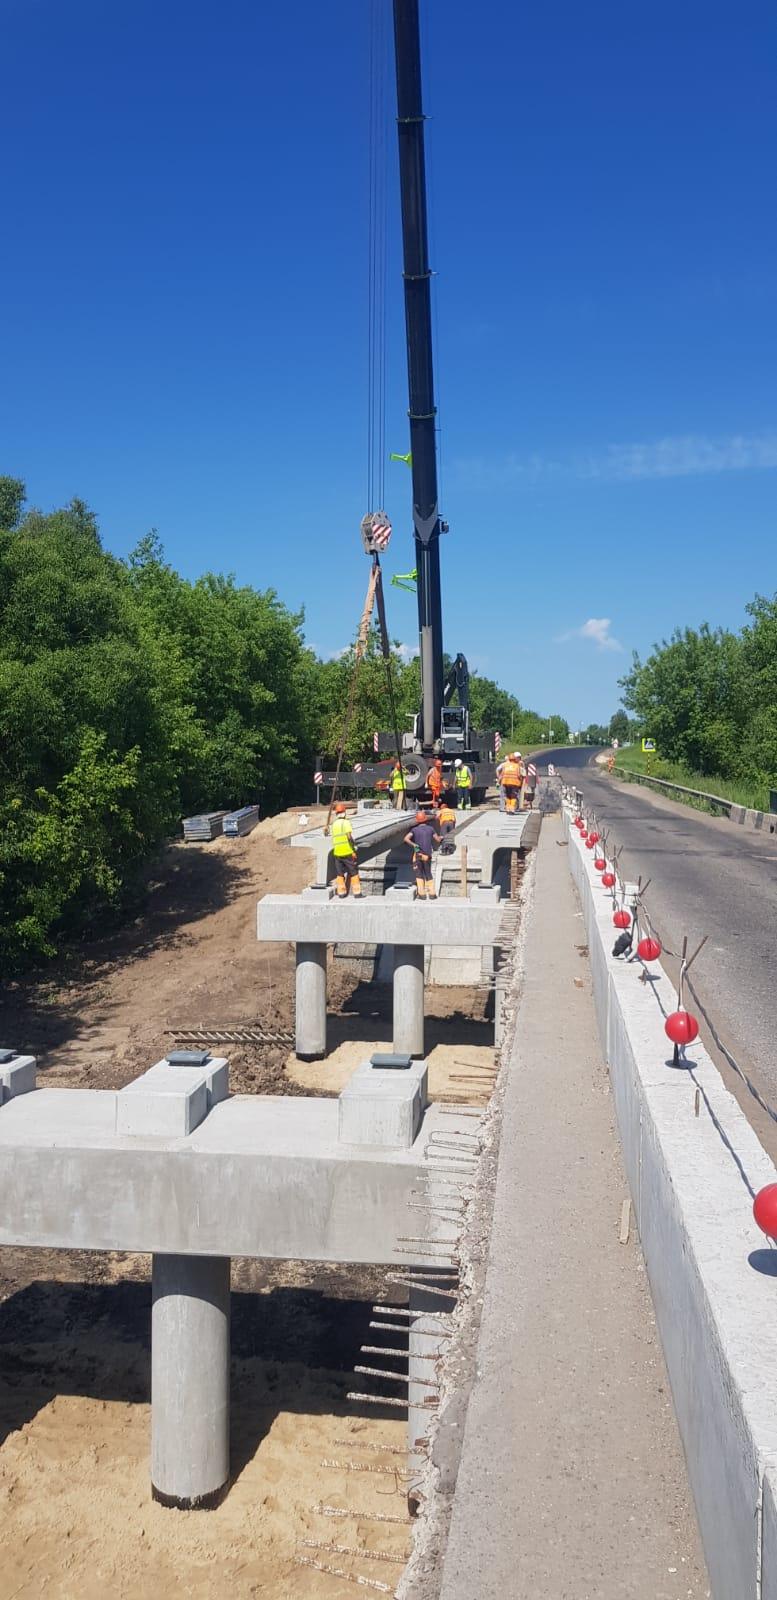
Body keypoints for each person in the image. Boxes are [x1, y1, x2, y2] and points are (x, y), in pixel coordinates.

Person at [404, 810, 442, 899]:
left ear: (417, 821)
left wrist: (414, 844)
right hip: (427, 856)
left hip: (418, 855)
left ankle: (422, 895)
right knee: (428, 873)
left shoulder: (414, 830)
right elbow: (438, 840)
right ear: (425, 819)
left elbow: (406, 839)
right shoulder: (431, 829)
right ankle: (432, 894)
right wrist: (441, 837)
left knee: (419, 874)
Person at [331, 802, 363, 899]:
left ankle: (341, 893)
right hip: (347, 852)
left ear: (337, 814)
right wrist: (353, 845)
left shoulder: (334, 824)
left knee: (340, 874)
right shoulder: (346, 822)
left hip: (337, 853)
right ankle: (357, 893)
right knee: (353, 872)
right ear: (344, 813)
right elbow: (349, 836)